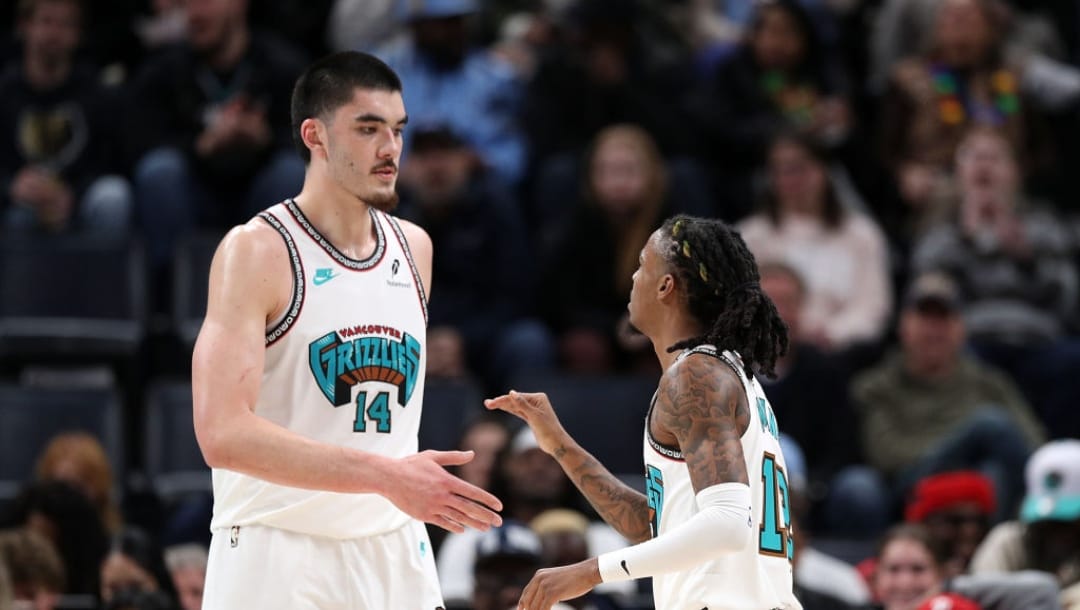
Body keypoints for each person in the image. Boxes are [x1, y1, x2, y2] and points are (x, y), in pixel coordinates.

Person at [190, 51, 502, 610]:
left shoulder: (415, 248)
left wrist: (392, 486)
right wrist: (387, 476)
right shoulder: (257, 250)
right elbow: (221, 433)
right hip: (277, 551)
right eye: (368, 128)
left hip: (392, 549)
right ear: (316, 135)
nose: (391, 149)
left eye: (397, 130)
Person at [486, 215, 801, 609]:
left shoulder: (696, 377)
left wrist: (588, 572)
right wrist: (560, 446)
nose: (633, 279)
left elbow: (727, 525)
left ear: (666, 285)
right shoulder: (726, 374)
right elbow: (656, 528)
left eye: (642, 265)